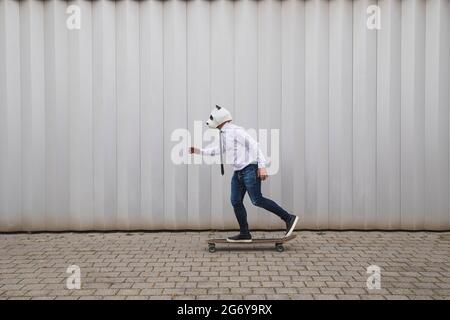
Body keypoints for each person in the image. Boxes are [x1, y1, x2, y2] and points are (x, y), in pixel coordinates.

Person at [189, 105, 298, 242]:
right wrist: (198, 151)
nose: (210, 121)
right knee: (235, 201)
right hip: (238, 173)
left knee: (257, 200)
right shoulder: (223, 133)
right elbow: (219, 149)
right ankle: (245, 233)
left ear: (219, 118)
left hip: (249, 169)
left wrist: (262, 166)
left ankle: (289, 218)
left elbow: (254, 144)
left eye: (212, 118)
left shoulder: (235, 131)